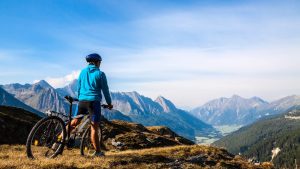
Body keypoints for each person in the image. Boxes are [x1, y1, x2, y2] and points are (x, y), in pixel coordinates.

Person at [69, 53, 113, 157]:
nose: (100, 64)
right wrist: (109, 103)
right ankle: (98, 152)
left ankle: (58, 140)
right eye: (100, 62)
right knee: (94, 127)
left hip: (82, 101)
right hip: (93, 103)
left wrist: (80, 98)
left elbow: (78, 88)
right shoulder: (100, 74)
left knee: (74, 122)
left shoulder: (82, 72)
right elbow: (105, 91)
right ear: (97, 62)